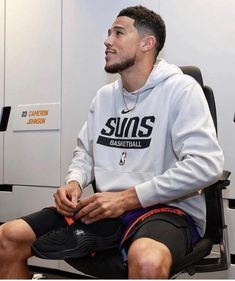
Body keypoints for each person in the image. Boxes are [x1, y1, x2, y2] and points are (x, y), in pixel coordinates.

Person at [0, 5, 224, 279]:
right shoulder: (104, 97)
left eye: (118, 33)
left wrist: (128, 198)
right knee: (8, 236)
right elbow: (85, 153)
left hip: (165, 210)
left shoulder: (181, 90)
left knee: (147, 261)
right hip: (105, 209)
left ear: (147, 43)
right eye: (108, 33)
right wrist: (73, 182)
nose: (107, 40)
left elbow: (207, 164)